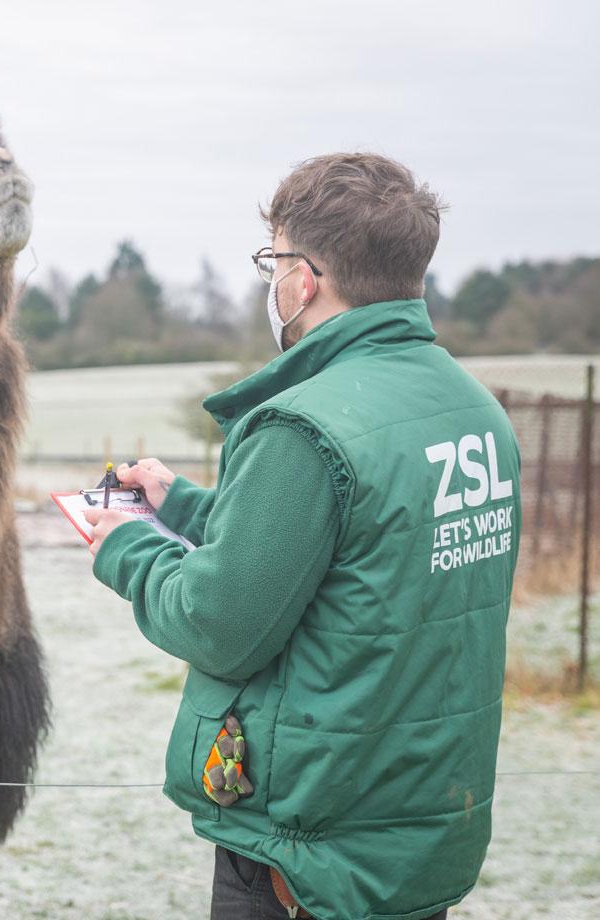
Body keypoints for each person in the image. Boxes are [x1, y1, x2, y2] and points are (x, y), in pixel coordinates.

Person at [84, 153, 521, 920]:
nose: (271, 283)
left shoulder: (303, 425)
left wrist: (127, 546)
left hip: (307, 849)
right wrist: (184, 505)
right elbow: (359, 546)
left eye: (273, 261)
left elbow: (217, 624)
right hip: (416, 822)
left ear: (306, 277)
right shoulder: (472, 410)